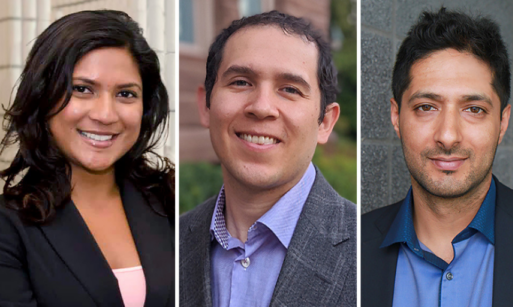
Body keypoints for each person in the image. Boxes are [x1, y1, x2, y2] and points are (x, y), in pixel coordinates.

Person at [360, 8, 513, 307]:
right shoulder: (357, 244)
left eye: (474, 109)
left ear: (503, 122)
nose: (447, 135)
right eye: (426, 107)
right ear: (396, 116)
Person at [179, 10, 356, 307]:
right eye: (240, 82)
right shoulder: (172, 241)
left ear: (325, 122)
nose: (261, 107)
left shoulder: (366, 252)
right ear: (206, 106)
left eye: (289, 89)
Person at [0, 10, 174, 306]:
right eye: (82, 89)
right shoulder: (9, 226)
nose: (105, 115)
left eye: (126, 94)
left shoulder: (169, 198)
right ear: (43, 97)